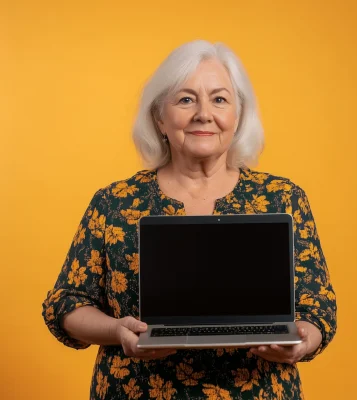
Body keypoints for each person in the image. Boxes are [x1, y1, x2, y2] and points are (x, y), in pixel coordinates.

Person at [42, 40, 337, 400]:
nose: (203, 113)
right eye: (185, 99)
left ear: (239, 116)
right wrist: (116, 329)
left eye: (219, 99)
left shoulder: (283, 198)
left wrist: (304, 339)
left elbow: (318, 310)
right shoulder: (115, 203)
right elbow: (65, 304)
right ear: (159, 118)